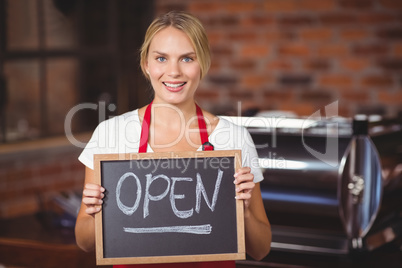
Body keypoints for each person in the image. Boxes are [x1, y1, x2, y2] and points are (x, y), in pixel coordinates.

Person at [75, 11, 271, 268]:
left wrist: (243, 212)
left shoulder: (233, 137)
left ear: (203, 63)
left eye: (187, 58)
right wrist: (93, 213)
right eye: (161, 58)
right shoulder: (110, 134)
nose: (174, 71)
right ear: (146, 65)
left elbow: (261, 249)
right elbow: (84, 241)